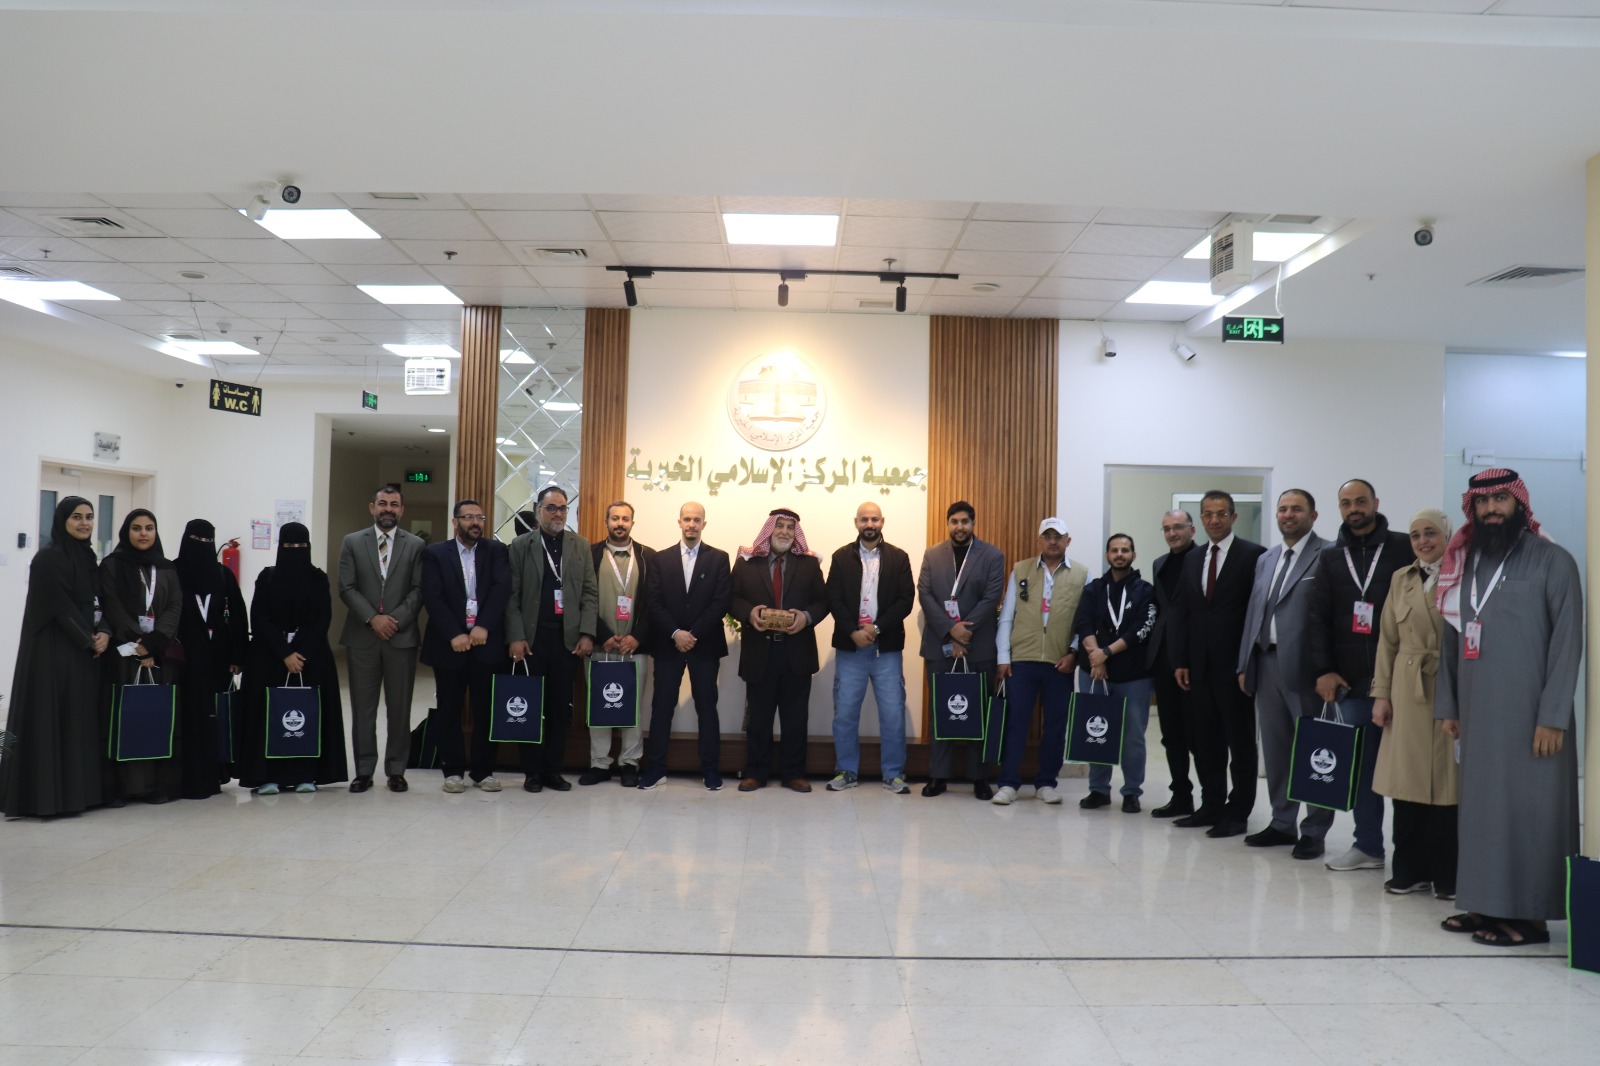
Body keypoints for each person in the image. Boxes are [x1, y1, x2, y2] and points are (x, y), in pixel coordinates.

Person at [1436, 469, 1581, 947]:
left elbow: (1567, 643)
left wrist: (1552, 717)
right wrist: (1449, 706)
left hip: (1531, 718)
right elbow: (1451, 639)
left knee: (1530, 813)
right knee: (1482, 813)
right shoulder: (1465, 561)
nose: (1491, 509)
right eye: (1483, 502)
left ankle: (1530, 917)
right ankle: (1485, 902)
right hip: (1478, 714)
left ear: (1519, 503)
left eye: (1501, 499)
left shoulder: (1553, 560)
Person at [1306, 479, 1413, 871]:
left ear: (1375, 503)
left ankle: (1412, 856)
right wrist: (1324, 669)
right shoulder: (1332, 558)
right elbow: (1317, 618)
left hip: (1403, 682)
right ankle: (1368, 846)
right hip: (1351, 684)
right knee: (1365, 770)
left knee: (1407, 770)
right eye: (1346, 503)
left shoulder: (1404, 547)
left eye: (1360, 501)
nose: (1354, 508)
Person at [1, 497, 110, 817]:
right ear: (62, 520)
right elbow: (59, 607)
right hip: (52, 653)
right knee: (53, 716)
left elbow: (101, 600)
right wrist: (88, 640)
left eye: (89, 517)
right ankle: (46, 799)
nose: (84, 523)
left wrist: (105, 632)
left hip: (84, 651)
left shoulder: (88, 557)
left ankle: (79, 795)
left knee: (77, 720)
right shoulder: (47, 558)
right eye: (76, 517)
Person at [1236, 490, 1330, 857]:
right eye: (1283, 509)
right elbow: (1253, 612)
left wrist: (1328, 668)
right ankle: (1282, 822)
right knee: (1276, 751)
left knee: (1313, 750)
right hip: (1266, 664)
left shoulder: (1328, 553)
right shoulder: (1267, 558)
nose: (1288, 515)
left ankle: (1315, 830)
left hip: (1307, 670)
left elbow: (1331, 615)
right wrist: (1245, 663)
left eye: (1296, 509)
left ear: (1313, 515)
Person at [1371, 508, 1458, 898]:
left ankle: (1447, 875)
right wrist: (1381, 694)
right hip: (1406, 692)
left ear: (1447, 536)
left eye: (1431, 533)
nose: (1423, 541)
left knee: (1446, 788)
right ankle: (1408, 869)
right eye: (1416, 535)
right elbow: (1387, 641)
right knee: (1405, 783)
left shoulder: (1462, 575)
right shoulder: (1401, 579)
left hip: (1448, 687)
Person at [1170, 490, 1265, 838]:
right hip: (1198, 668)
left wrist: (1248, 664)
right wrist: (1181, 659)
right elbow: (1183, 610)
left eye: (1221, 513)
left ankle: (1238, 812)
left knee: (1240, 743)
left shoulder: (1254, 556)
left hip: (1235, 669)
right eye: (1208, 514)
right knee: (1205, 741)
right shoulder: (1194, 558)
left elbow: (1257, 613)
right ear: (1201, 519)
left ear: (1234, 517)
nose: (1214, 520)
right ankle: (1211, 805)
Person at [237, 523, 350, 794]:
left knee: (307, 715)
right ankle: (267, 776)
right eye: (289, 546)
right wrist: (284, 652)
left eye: (301, 546)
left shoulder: (318, 579)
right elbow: (259, 617)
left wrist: (301, 652)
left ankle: (306, 773)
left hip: (310, 658)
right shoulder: (267, 578)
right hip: (270, 657)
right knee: (268, 716)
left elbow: (322, 618)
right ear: (280, 547)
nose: (295, 551)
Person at [506, 485, 598, 793]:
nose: (558, 514)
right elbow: (512, 596)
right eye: (552, 508)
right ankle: (532, 772)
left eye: (562, 508)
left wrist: (587, 633)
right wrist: (516, 637)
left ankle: (553, 770)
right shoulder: (521, 545)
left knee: (560, 709)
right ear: (538, 511)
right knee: (530, 707)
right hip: (532, 639)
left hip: (567, 641)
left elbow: (589, 593)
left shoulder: (579, 545)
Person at [731, 508, 827, 793]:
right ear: (769, 529)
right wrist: (749, 613)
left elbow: (823, 602)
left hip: (796, 652)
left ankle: (794, 773)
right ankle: (755, 772)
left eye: (790, 527)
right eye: (779, 526)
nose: (784, 532)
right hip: (759, 652)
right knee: (758, 718)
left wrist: (806, 618)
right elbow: (731, 599)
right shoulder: (747, 563)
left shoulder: (809, 565)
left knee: (795, 718)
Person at [337, 484, 424, 794]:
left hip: (401, 637)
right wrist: (373, 619)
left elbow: (419, 589)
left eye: (394, 504)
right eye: (383, 503)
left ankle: (396, 770)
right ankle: (363, 770)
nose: (388, 509)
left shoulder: (416, 545)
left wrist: (394, 620)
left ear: (402, 510)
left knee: (400, 709)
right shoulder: (352, 542)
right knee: (363, 709)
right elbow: (346, 587)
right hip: (363, 637)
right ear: (372, 508)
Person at [420, 499, 511, 793]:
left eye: (479, 517)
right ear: (455, 521)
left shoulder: (496, 551)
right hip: (449, 645)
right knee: (449, 709)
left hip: (487, 643)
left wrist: (483, 625)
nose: (475, 522)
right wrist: (453, 634)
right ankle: (453, 771)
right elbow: (432, 596)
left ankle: (484, 771)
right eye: (468, 517)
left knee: (487, 710)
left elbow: (501, 589)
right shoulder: (435, 553)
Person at [639, 501, 731, 791]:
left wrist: (692, 635)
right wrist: (676, 633)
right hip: (668, 644)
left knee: (707, 707)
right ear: (679, 522)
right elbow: (653, 601)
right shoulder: (660, 559)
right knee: (662, 707)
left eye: (697, 520)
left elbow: (721, 602)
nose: (692, 524)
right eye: (687, 519)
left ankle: (711, 770)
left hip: (705, 645)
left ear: (704, 524)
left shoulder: (719, 558)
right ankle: (656, 769)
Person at [917, 500, 1006, 799]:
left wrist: (963, 632)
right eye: (954, 521)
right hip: (939, 645)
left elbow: (992, 597)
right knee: (941, 713)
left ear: (973, 524)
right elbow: (924, 593)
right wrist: (949, 629)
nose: (959, 527)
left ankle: (979, 777)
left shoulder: (992, 555)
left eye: (965, 521)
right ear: (948, 524)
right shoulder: (932, 554)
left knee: (978, 713)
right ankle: (938, 776)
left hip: (978, 647)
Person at [993, 517, 1085, 806]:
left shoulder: (1081, 574)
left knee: (1055, 727)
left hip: (1060, 663)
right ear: (1039, 541)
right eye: (1047, 536)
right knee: (1015, 724)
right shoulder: (1020, 570)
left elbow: (1084, 621)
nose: (1052, 541)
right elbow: (1007, 616)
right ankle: (1008, 784)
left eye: (1058, 536)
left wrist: (1074, 653)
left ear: (1068, 541)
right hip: (1022, 661)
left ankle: (1046, 783)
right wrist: (1003, 657)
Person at [825, 502, 914, 794]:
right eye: (864, 519)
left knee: (892, 713)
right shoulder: (841, 557)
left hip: (885, 649)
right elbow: (833, 598)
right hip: (850, 648)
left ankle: (894, 774)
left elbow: (905, 600)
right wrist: (853, 631)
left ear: (882, 521)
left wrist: (876, 629)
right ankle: (846, 771)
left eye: (874, 519)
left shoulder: (899, 557)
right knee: (845, 713)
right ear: (856, 522)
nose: (870, 524)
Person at [99, 508, 184, 805]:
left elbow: (174, 606)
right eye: (136, 528)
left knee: (155, 717)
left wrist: (153, 644)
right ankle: (121, 787)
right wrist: (138, 644)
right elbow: (112, 605)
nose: (143, 534)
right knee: (125, 718)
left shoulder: (167, 567)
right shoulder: (112, 565)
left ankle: (154, 786)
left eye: (149, 528)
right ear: (127, 531)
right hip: (124, 655)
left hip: (159, 656)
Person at [1072, 533, 1157, 811]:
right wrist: (1096, 658)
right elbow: (1083, 623)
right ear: (1107, 555)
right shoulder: (1094, 589)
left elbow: (1141, 629)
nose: (1119, 554)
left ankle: (1131, 792)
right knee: (1096, 730)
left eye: (1125, 550)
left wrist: (1106, 653)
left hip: (1134, 676)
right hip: (1095, 672)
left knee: (1133, 736)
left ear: (1133, 555)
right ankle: (1098, 790)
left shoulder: (1145, 590)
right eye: (1114, 550)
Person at [172, 519, 250, 798]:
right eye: (197, 540)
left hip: (218, 659)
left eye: (208, 542)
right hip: (183, 659)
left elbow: (238, 617)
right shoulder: (173, 571)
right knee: (187, 716)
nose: (203, 546)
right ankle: (183, 776)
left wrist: (238, 655)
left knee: (213, 717)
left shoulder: (222, 575)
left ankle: (214, 773)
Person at [582, 501, 656, 788]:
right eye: (615, 518)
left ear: (632, 523)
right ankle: (599, 763)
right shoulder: (590, 554)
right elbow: (583, 599)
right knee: (598, 705)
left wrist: (637, 636)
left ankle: (629, 763)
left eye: (625, 519)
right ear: (607, 521)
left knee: (632, 707)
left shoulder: (648, 556)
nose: (620, 523)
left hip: (634, 647)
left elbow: (653, 603)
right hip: (601, 646)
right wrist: (602, 635)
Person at [1147, 509, 1199, 818]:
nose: (1172, 533)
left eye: (1178, 527)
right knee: (1171, 734)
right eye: (1166, 528)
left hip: (1195, 662)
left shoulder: (1204, 561)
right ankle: (1181, 795)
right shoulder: (1159, 564)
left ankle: (1212, 800)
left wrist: (1190, 658)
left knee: (1200, 734)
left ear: (1192, 530)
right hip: (1164, 660)